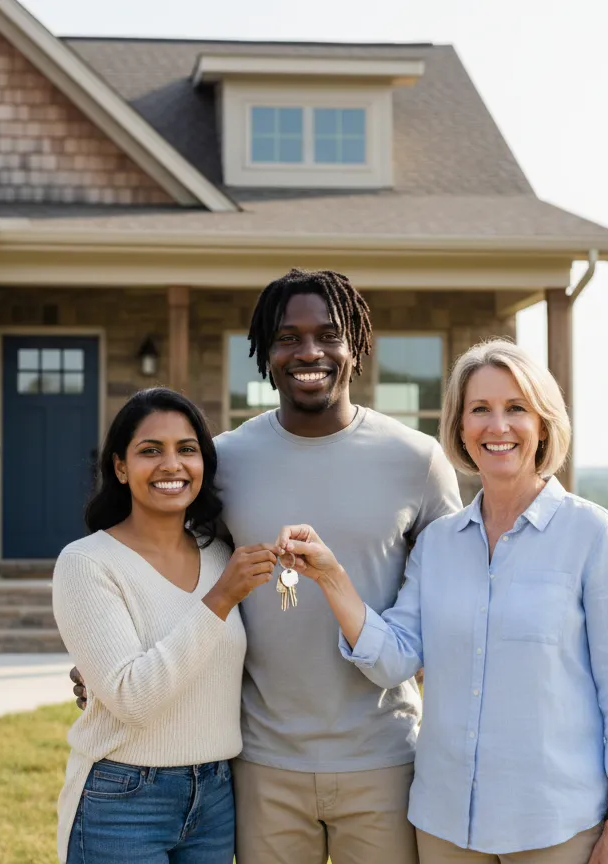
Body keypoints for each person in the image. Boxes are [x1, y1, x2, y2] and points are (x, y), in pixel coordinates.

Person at [75, 268, 462, 864]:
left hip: (384, 758)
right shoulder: (223, 461)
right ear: (265, 352)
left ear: (354, 347)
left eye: (328, 335)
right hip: (261, 762)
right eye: (288, 337)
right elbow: (176, 567)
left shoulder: (416, 460)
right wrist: (104, 659)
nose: (309, 352)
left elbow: (451, 603)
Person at [275, 338, 608, 864]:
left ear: (543, 424)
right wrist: (332, 578)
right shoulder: (438, 544)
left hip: (557, 827)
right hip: (444, 829)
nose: (497, 426)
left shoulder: (595, 537)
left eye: (516, 409)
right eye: (480, 409)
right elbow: (395, 659)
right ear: (460, 426)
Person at [51, 388, 277, 864]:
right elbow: (132, 699)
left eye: (187, 449)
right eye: (150, 450)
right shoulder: (88, 563)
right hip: (123, 798)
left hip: (216, 795)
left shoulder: (220, 554)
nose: (171, 464)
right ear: (119, 467)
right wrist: (220, 599)